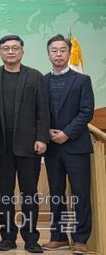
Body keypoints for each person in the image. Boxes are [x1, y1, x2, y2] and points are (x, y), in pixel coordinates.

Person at [0, 35, 50, 254]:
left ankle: (31, 238)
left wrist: (42, 138)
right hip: (2, 147)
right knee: (5, 194)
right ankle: (8, 237)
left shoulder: (35, 76)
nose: (10, 51)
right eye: (6, 48)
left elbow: (43, 110)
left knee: (29, 194)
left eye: (15, 48)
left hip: (29, 146)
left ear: (22, 51)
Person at [41, 35, 94, 255]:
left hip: (76, 146)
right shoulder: (41, 81)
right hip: (52, 147)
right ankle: (58, 236)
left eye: (63, 50)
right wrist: (46, 131)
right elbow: (38, 112)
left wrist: (67, 133)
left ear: (69, 53)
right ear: (48, 54)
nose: (58, 54)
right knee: (56, 194)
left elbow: (86, 112)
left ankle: (81, 239)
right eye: (54, 50)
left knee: (80, 194)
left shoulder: (82, 80)